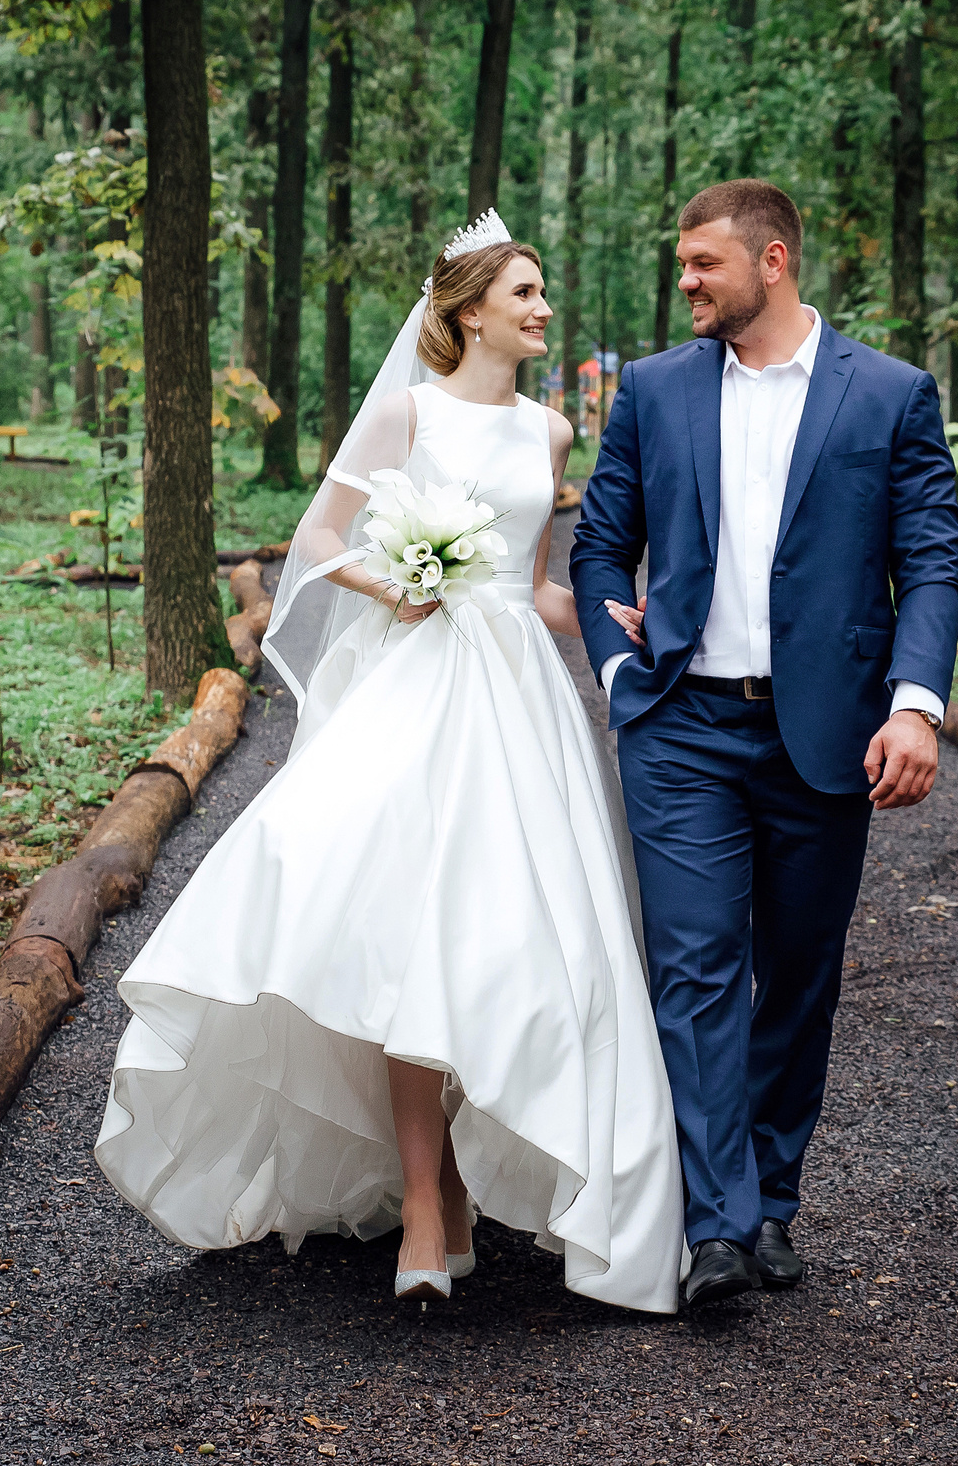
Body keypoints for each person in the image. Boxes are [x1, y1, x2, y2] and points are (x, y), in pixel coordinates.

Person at [93, 209, 687, 1314]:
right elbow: (320, 539)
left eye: (541, 289)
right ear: (469, 313)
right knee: (408, 936)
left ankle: (494, 1166)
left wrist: (618, 619)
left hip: (517, 695)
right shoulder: (408, 414)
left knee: (515, 938)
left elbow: (539, 579)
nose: (543, 306)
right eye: (524, 291)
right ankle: (426, 1196)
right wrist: (400, 577)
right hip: (419, 685)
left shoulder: (553, 432)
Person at [569, 178, 958, 1308]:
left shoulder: (889, 394)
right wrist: (615, 669)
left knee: (796, 973)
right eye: (681, 263)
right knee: (693, 966)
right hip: (681, 724)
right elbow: (601, 548)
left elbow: (929, 563)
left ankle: (771, 1196)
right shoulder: (651, 390)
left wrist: (915, 703)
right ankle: (717, 1226)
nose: (683, 281)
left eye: (702, 263)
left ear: (774, 260)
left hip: (826, 732)